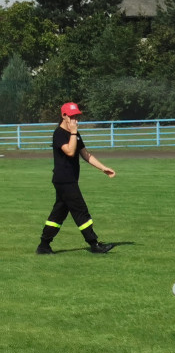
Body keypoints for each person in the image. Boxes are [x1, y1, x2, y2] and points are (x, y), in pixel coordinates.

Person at [36, 102, 116, 254]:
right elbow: (70, 151)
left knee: (58, 214)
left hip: (69, 180)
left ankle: (43, 246)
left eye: (77, 116)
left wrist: (103, 168)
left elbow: (85, 154)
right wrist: (73, 132)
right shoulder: (59, 133)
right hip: (64, 180)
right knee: (80, 210)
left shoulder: (75, 134)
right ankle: (94, 244)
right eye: (72, 117)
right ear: (64, 116)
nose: (76, 120)